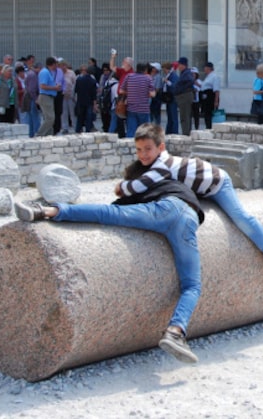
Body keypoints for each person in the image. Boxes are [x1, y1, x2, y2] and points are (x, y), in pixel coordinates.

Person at [13, 123, 205, 364]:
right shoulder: (167, 180)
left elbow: (110, 211)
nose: (143, 154)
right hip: (186, 218)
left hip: (164, 210)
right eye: (139, 150)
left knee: (106, 214)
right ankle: (175, 332)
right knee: (192, 285)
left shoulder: (146, 185)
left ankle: (48, 211)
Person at [123, 126, 263, 278]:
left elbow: (135, 187)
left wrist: (120, 189)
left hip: (218, 184)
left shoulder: (161, 166)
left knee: (239, 217)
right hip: (199, 190)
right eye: (139, 150)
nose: (143, 154)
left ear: (160, 148)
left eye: (147, 149)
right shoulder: (154, 168)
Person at [124, 62, 155, 137]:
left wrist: (131, 92)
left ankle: (129, 146)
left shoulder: (129, 76)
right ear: (145, 70)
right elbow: (152, 94)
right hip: (143, 108)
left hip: (131, 108)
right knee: (144, 132)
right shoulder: (148, 78)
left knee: (131, 130)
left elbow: (121, 90)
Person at [37, 57, 61, 136]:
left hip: (49, 97)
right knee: (50, 118)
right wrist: (55, 88)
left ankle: (48, 134)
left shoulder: (48, 72)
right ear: (53, 64)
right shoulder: (45, 72)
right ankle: (40, 134)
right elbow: (43, 86)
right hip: (45, 96)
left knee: (49, 118)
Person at [172, 57, 195, 136]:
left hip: (185, 96)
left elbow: (190, 81)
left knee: (185, 116)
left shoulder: (187, 73)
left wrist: (182, 89)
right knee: (184, 115)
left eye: (180, 65)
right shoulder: (183, 73)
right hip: (182, 96)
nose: (179, 66)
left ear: (183, 65)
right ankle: (186, 132)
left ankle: (186, 133)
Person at [74, 64, 98, 133]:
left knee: (80, 117)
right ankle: (88, 131)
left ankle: (78, 130)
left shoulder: (79, 80)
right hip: (89, 102)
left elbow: (76, 90)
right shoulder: (92, 81)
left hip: (80, 101)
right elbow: (94, 94)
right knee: (88, 118)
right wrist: (95, 104)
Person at [199, 62, 221, 130]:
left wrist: (216, 101)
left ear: (209, 68)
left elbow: (216, 90)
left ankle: (211, 128)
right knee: (206, 114)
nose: (204, 69)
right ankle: (208, 127)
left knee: (210, 114)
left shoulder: (214, 76)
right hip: (205, 97)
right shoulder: (208, 77)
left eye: (205, 68)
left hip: (211, 97)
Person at [24, 62, 42, 137]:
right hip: (32, 97)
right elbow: (32, 89)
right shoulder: (33, 75)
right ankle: (37, 132)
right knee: (34, 116)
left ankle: (31, 133)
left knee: (31, 116)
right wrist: (36, 99)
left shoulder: (30, 74)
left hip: (29, 97)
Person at [162, 62, 180, 135]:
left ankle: (174, 132)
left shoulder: (174, 76)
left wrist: (167, 81)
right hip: (169, 98)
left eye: (164, 70)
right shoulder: (169, 75)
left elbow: (174, 86)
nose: (164, 71)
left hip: (172, 98)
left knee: (173, 116)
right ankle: (169, 131)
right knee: (170, 116)